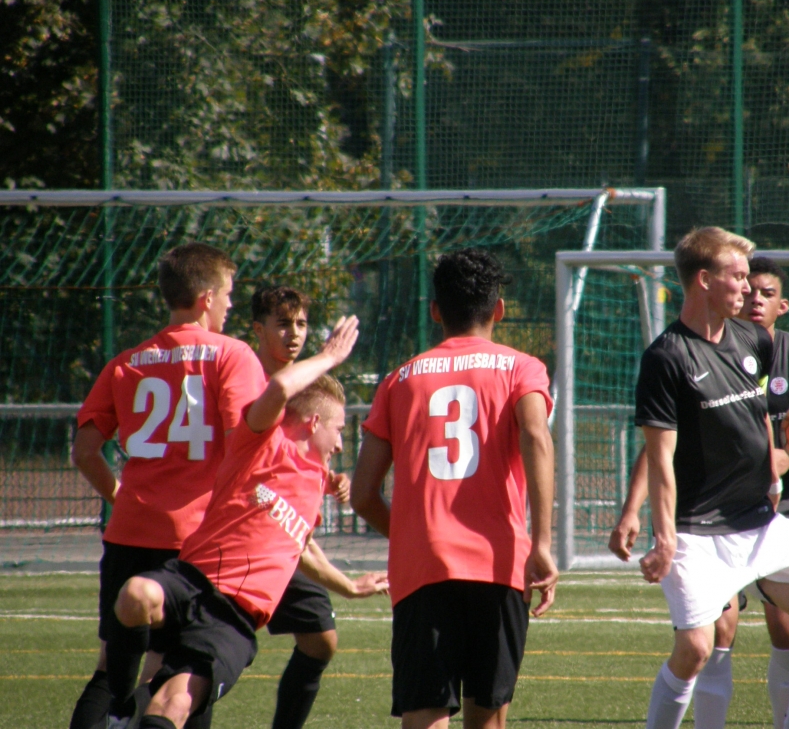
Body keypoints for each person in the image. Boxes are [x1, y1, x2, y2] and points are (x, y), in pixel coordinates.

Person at [632, 226, 789, 729]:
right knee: (695, 648)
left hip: (758, 521)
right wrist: (663, 538)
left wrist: (773, 477)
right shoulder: (666, 357)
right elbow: (660, 458)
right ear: (704, 280)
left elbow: (759, 414)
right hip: (696, 531)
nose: (747, 288)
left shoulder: (753, 338)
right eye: (737, 277)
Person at [111, 314, 360, 729]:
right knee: (135, 594)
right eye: (339, 429)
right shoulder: (261, 443)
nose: (340, 443)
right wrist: (330, 356)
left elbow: (297, 552)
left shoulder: (317, 483)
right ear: (314, 423)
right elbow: (278, 389)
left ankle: (135, 710)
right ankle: (119, 707)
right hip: (191, 579)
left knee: (172, 703)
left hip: (234, 617)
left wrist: (349, 586)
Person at [351, 248, 559, 729]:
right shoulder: (522, 368)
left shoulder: (398, 380)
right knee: (487, 719)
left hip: (423, 566)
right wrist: (542, 544)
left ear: (435, 311)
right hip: (499, 564)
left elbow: (362, 495)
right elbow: (535, 436)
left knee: (424, 715)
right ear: (498, 309)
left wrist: (413, 536)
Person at [69, 242, 267, 729]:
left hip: (129, 533)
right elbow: (243, 443)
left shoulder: (129, 361)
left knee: (109, 669)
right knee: (186, 673)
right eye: (228, 293)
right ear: (206, 297)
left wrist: (121, 498)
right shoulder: (233, 355)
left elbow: (85, 451)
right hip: (194, 542)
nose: (231, 304)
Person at [251, 285, 388, 729]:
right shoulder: (247, 378)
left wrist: (327, 479)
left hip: (281, 530)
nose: (295, 334)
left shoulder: (308, 383)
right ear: (258, 330)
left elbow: (293, 455)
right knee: (209, 652)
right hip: (245, 531)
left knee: (319, 640)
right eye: (284, 324)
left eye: (301, 324)